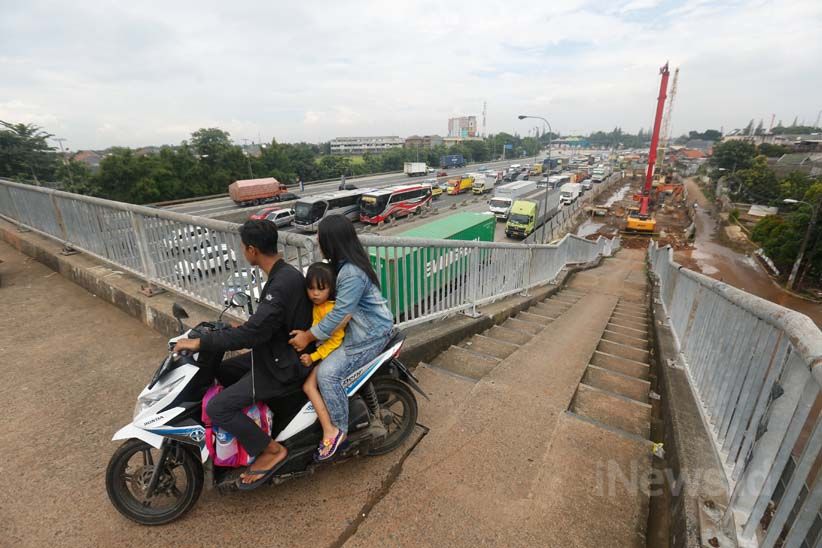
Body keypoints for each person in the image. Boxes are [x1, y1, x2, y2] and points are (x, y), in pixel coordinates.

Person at [173, 220, 312, 490]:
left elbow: (253, 334)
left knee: (218, 407)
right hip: (273, 352)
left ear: (251, 250)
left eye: (242, 248)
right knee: (221, 372)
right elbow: (265, 324)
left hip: (281, 365)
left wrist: (200, 343)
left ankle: (271, 450)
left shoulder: (280, 284)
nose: (242, 252)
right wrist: (239, 328)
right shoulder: (283, 274)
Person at [289, 215, 394, 460]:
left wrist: (308, 336)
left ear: (331, 241)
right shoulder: (342, 266)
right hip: (358, 332)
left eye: (320, 237)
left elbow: (341, 315)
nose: (317, 241)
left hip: (369, 335)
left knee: (328, 374)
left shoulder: (351, 273)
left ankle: (338, 431)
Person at [298, 263, 348, 458]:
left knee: (309, 387)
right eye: (311, 288)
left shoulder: (331, 310)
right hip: (320, 350)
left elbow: (335, 341)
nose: (315, 294)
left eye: (321, 288)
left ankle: (331, 430)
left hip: (328, 353)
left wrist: (313, 357)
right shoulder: (317, 305)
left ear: (331, 288)